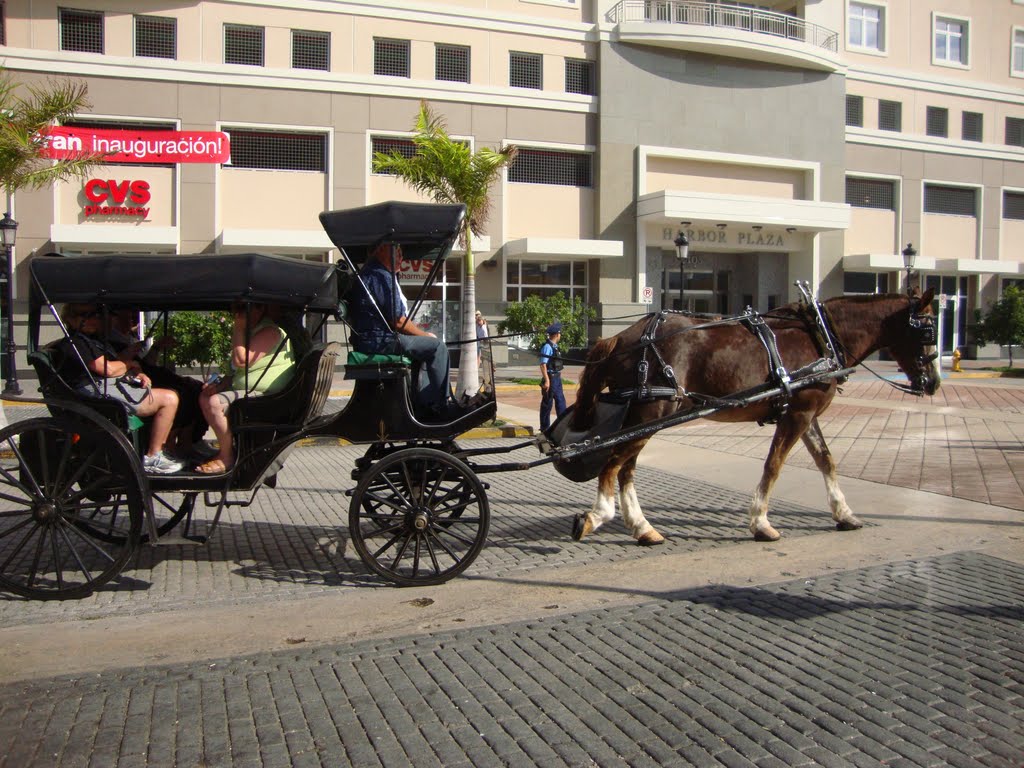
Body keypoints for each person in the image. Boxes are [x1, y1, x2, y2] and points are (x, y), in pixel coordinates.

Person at [57, 303, 185, 475]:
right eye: (85, 315)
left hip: (108, 385)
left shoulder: (93, 341)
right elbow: (107, 369)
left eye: (95, 314)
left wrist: (136, 371)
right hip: (95, 390)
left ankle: (168, 447)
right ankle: (153, 455)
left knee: (175, 391)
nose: (94, 319)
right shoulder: (74, 343)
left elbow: (118, 362)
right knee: (169, 399)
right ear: (71, 319)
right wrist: (127, 364)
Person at [348, 241, 452, 419]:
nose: (401, 257)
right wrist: (425, 335)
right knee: (437, 347)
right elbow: (398, 320)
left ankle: (426, 402)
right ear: (381, 250)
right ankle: (441, 406)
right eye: (396, 251)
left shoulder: (377, 273)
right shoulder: (379, 275)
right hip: (380, 341)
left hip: (377, 339)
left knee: (430, 346)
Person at [196, 302, 296, 474]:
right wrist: (219, 386)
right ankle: (189, 444)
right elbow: (235, 370)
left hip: (266, 395)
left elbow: (241, 360)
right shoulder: (252, 332)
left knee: (213, 403)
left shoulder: (270, 331)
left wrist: (238, 329)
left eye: (243, 310)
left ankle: (226, 456)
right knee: (200, 394)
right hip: (249, 391)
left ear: (259, 309)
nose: (238, 315)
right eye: (236, 310)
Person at [107, 310, 208, 459]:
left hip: (149, 373)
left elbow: (146, 363)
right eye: (127, 317)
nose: (132, 321)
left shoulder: (130, 338)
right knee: (178, 394)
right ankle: (167, 445)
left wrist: (156, 347)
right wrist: (129, 356)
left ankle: (188, 441)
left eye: (133, 317)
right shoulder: (111, 342)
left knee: (196, 387)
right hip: (136, 380)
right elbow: (113, 367)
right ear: (113, 319)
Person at [539, 321, 567, 432]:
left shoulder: (555, 346)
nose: (560, 335)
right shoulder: (547, 347)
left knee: (561, 402)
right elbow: (543, 364)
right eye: (559, 333)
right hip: (550, 378)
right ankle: (545, 428)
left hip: (557, 378)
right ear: (556, 334)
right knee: (547, 404)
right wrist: (546, 380)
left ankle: (563, 426)